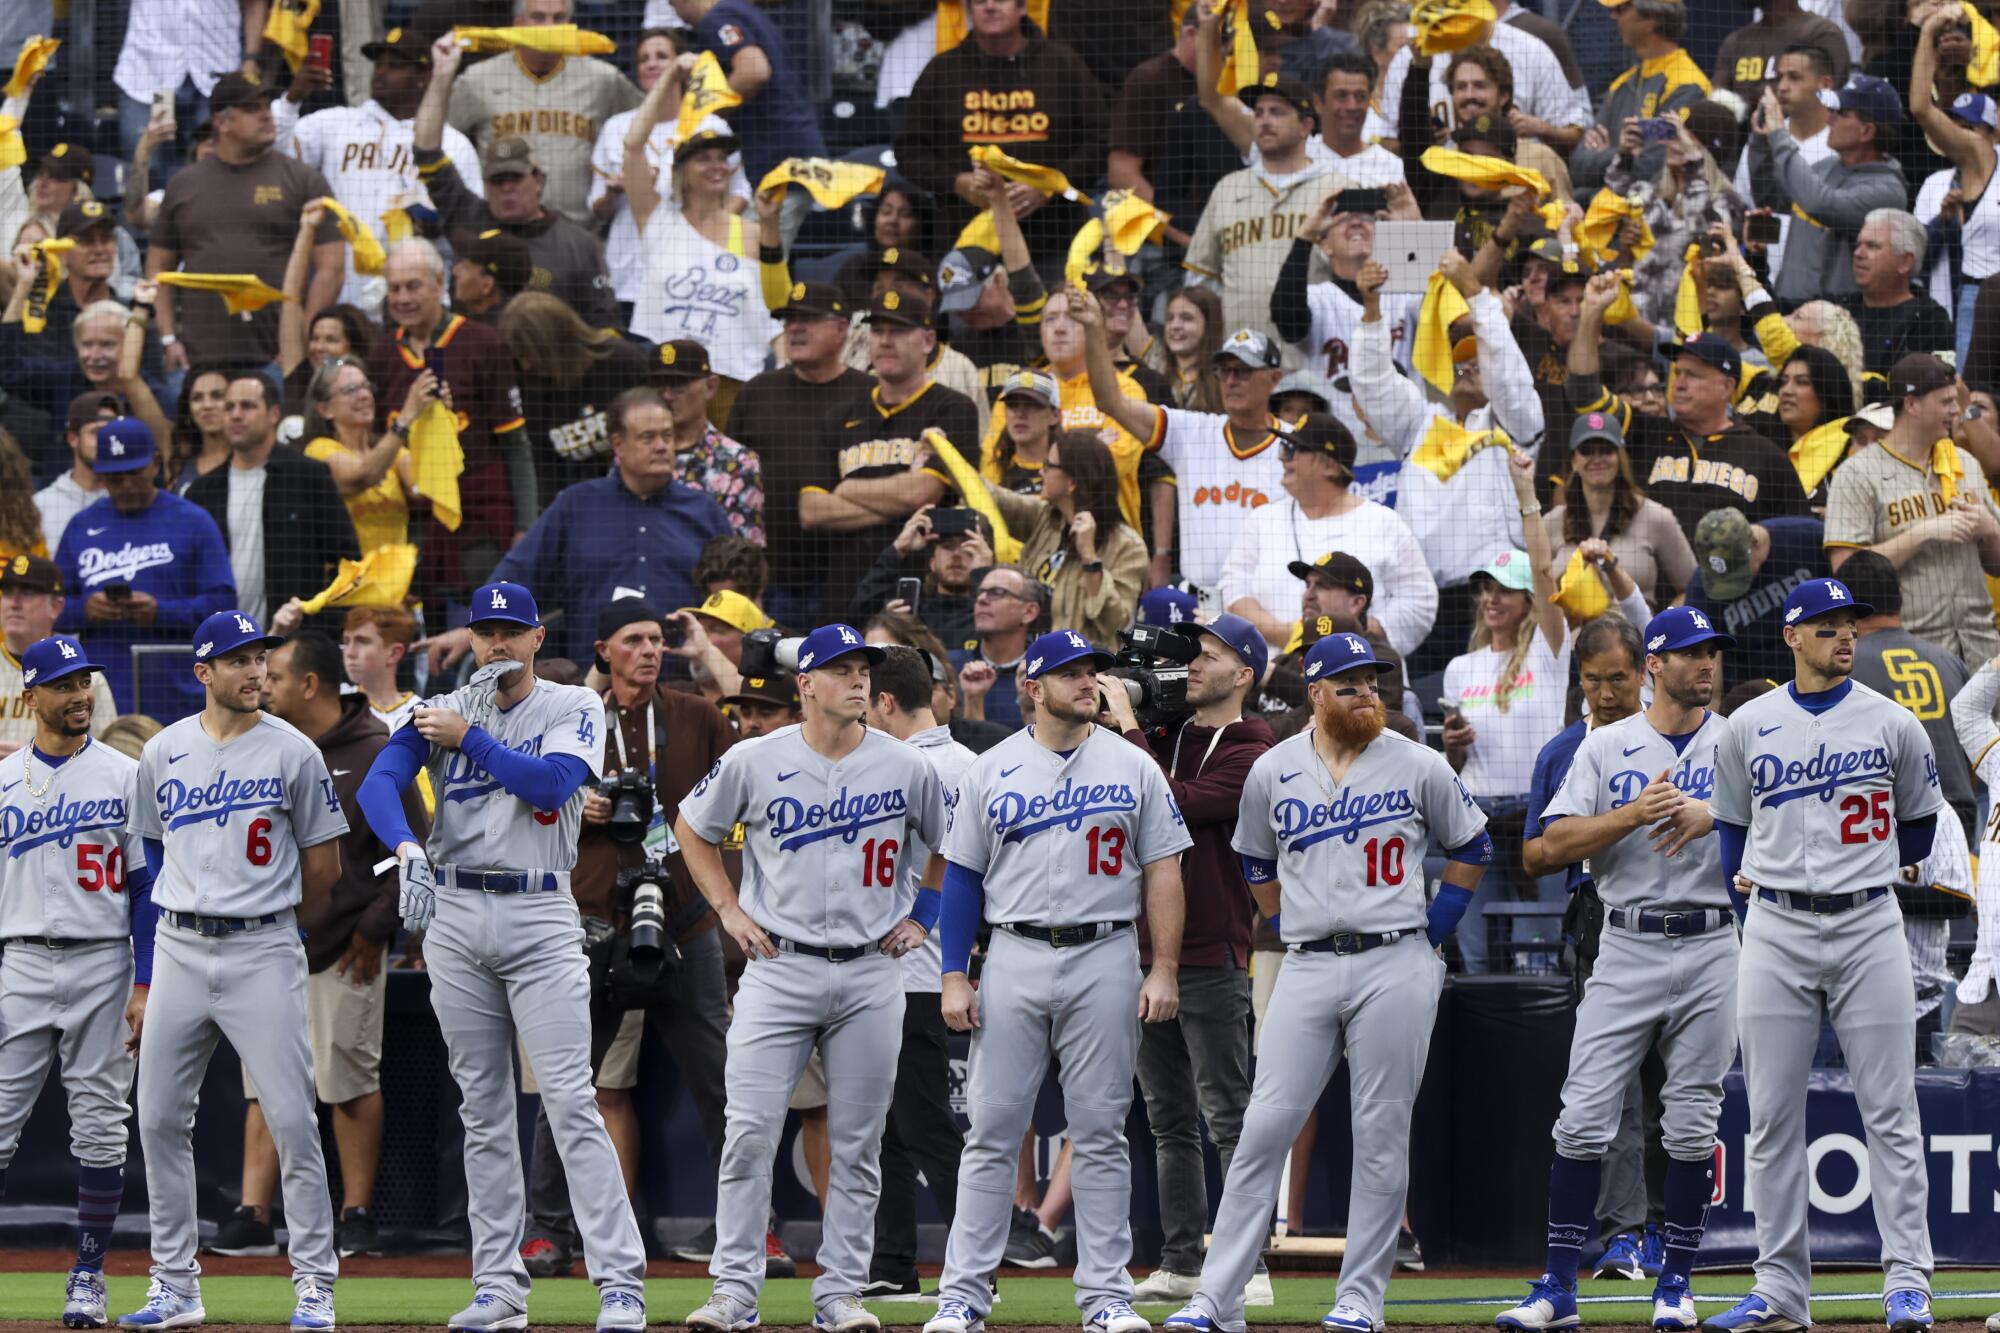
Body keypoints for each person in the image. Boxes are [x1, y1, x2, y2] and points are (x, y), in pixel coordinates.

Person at [1161, 631, 1491, 1333]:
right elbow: (1253, 860)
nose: (1366, 693)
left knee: (1379, 1132)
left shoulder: (1417, 762)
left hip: (1394, 958)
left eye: (1372, 682)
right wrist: (1284, 919)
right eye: (1349, 684)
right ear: (1315, 692)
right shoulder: (1273, 769)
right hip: (1307, 961)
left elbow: (1473, 845)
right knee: (1261, 1128)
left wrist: (1436, 930)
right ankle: (1218, 1299)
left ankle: (1359, 1298)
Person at [356, 581, 649, 1332]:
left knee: (569, 1100)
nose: (496, 645)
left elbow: (551, 782)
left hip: (539, 909)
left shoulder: (569, 706)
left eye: (510, 631)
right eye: (485, 631)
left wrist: (470, 738)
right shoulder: (446, 707)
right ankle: (497, 1285)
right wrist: (405, 847)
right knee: (482, 1109)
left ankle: (619, 1282)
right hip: (453, 910)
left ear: (536, 639)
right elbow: (379, 784)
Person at [675, 623, 947, 1333]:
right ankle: (734, 1289)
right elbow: (691, 826)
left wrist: (926, 914)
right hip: (778, 965)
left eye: (864, 668)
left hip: (870, 970)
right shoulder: (754, 758)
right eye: (840, 668)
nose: (858, 679)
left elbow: (950, 848)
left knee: (857, 1143)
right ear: (805, 683)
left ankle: (840, 1294)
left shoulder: (906, 764)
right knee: (748, 1133)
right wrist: (728, 908)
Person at [924, 628, 1191, 1333]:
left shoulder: (1133, 766)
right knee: (992, 1128)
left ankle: (1105, 1295)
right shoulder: (992, 766)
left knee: (1101, 1129)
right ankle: (964, 1295)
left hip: (1106, 948)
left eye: (1092, 670)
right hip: (1013, 949)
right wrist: (955, 972)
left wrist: (1161, 964)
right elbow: (962, 880)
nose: (1088, 681)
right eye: (1071, 672)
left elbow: (1165, 869)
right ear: (1034, 688)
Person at [1706, 577, 1943, 1333]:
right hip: (1774, 927)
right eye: (1828, 625)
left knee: (1892, 1110)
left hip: (1870, 921)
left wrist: (1857, 869)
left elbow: (1918, 831)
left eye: (1850, 623)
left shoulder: (1894, 723)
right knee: (1771, 1116)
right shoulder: (1748, 723)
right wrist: (1759, 913)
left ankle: (1908, 1281)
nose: (1845, 635)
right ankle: (1779, 1290)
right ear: (1792, 636)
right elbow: (1730, 833)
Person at [1498, 607, 1738, 1333]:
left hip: (1711, 940)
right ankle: (1558, 1286)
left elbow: (1778, 835)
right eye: (1690, 653)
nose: (1705, 664)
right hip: (1626, 937)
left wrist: (1712, 814)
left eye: (1712, 653)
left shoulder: (1739, 739)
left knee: (1693, 1126)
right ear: (1655, 667)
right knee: (1581, 1119)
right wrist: (1633, 814)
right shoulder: (1607, 746)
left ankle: (1676, 1285)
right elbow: (1549, 845)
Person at [123, 610, 345, 1330]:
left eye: (259, 658)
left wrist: (271, 921)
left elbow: (324, 868)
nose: (254, 671)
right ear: (204, 673)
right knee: (156, 1114)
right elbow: (153, 857)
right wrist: (151, 968)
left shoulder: (295, 751)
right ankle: (175, 1284)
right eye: (238, 660)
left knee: (290, 1117)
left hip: (262, 945)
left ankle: (315, 1282)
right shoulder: (162, 750)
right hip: (183, 946)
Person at [519, 599, 736, 1281]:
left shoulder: (696, 716)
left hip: (685, 921)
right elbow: (515, 806)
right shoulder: (564, 719)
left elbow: (750, 782)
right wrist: (562, 802)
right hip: (590, 922)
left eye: (657, 640)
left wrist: (708, 658)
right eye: (634, 640)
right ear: (603, 649)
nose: (649, 649)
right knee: (566, 1082)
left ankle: (748, 1227)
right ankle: (546, 1232)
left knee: (725, 1086)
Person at [226, 632, 428, 1263]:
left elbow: (414, 853)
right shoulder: (262, 746)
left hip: (344, 947)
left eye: (277, 676)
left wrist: (376, 928)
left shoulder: (376, 753)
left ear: (309, 685)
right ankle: (254, 1213)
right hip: (267, 945)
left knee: (346, 1081)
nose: (264, 684)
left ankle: (358, 1213)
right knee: (262, 1084)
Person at [1094, 615, 1275, 1307]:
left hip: (1211, 950)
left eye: (1210, 656)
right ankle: (1181, 1259)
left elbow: (1173, 802)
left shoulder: (1255, 743)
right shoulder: (1166, 732)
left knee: (1227, 1115)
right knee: (1167, 1118)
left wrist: (1129, 724)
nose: (1193, 666)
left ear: (1245, 674)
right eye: (1193, 656)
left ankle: (1249, 1265)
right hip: (1138, 949)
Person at [0, 633, 151, 1329]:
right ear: (31, 696)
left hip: (101, 961)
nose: (80, 693)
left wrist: (144, 982)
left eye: (84, 680)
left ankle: (88, 1273)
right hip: (22, 959)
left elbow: (149, 889)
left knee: (100, 1128)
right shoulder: (4, 782)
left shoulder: (124, 775)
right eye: (63, 684)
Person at [859, 645, 976, 1300]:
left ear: (884, 702)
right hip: (925, 971)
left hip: (913, 972)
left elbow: (949, 862)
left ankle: (966, 1261)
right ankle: (893, 1261)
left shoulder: (901, 766)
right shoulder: (971, 762)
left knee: (922, 1124)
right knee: (891, 1128)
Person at [1442, 453, 1571, 973]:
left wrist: (1527, 500)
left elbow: (1546, 575)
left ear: (1527, 601)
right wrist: (1451, 747)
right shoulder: (1458, 667)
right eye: (1485, 589)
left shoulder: (1549, 648)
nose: (1491, 599)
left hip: (1535, 815)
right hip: (1477, 816)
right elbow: (1452, 767)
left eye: (1504, 590)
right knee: (1473, 949)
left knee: (1535, 952)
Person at [364, 237, 535, 603]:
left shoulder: (483, 342)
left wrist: (526, 527)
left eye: (413, 286)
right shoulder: (380, 355)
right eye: (395, 289)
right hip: (413, 527)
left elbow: (515, 445)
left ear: (439, 283)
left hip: (480, 522)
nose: (403, 298)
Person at [1570, 281, 1807, 539]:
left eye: (1693, 375)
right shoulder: (1643, 432)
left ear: (1727, 386)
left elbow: (1799, 538)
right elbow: (1584, 393)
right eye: (1678, 372)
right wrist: (1590, 315)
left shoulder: (1765, 455)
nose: (1679, 383)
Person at [414, 36, 620, 330]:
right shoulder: (467, 216)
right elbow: (426, 151)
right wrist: (442, 75)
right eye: (497, 180)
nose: (506, 188)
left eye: (515, 177)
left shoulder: (579, 243)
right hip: (477, 367)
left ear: (539, 180)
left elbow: (605, 325)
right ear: (485, 184)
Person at [275, 25, 485, 310]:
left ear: (424, 77)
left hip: (417, 303)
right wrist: (292, 99)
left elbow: (473, 231)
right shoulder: (334, 123)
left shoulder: (452, 144)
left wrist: (436, 228)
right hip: (341, 299)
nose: (381, 73)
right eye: (379, 64)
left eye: (396, 66)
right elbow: (276, 158)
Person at [1081, 309, 1289, 596]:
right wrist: (1093, 329)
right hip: (1199, 603)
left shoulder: (1296, 446)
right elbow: (1110, 402)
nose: (1230, 381)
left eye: (1242, 371)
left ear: (1275, 378)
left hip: (1267, 600)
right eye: (1224, 371)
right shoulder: (1191, 431)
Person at [147, 73, 343, 374]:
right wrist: (168, 337)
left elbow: (332, 266)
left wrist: (304, 337)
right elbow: (159, 267)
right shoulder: (183, 185)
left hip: (279, 358)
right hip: (197, 361)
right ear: (222, 122)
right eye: (252, 108)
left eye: (266, 104)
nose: (267, 114)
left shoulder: (303, 180)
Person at [894, 0, 1108, 261]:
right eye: (980, 1)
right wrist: (956, 182)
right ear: (969, 10)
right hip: (965, 242)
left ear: (1022, 8)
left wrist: (1051, 184)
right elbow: (909, 151)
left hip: (1055, 239)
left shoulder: (1064, 65)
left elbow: (1100, 141)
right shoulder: (941, 72)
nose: (990, 6)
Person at [799, 292, 974, 605]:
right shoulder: (839, 416)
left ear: (928, 341)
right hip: (846, 589)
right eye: (878, 331)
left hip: (920, 590)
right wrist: (898, 506)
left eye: (899, 330)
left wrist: (847, 488)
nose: (885, 341)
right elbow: (812, 511)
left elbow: (921, 494)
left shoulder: (954, 409)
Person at [53, 418, 236, 719]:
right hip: (103, 694)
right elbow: (53, 607)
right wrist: (86, 610)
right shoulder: (81, 526)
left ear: (155, 463)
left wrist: (160, 612)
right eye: (114, 477)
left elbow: (224, 605)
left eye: (134, 473)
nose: (124, 485)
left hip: (179, 691)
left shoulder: (192, 521)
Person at [1825, 353, 2000, 665]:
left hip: (1981, 649)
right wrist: (1922, 533)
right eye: (1946, 401)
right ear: (1912, 404)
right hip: (1909, 654)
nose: (1956, 410)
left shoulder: (1966, 464)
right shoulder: (1856, 473)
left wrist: (1990, 528)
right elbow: (1846, 573)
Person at [1217, 412, 1436, 655]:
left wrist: (1348, 634)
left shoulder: (1384, 523)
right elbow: (1233, 588)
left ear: (1330, 466)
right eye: (1283, 447)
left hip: (1358, 676)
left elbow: (1420, 602)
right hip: (1272, 677)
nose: (1282, 457)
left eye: (1292, 450)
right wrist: (1288, 635)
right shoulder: (1261, 520)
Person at [623, 64, 776, 406]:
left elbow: (774, 314)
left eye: (723, 158)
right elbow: (633, 144)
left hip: (732, 385)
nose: (717, 166)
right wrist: (670, 77)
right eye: (704, 159)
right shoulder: (656, 219)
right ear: (681, 171)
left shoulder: (751, 232)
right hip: (666, 384)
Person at [724, 282, 872, 623]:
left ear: (841, 328)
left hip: (845, 576)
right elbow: (731, 482)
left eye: (809, 319)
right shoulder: (757, 391)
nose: (795, 328)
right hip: (769, 578)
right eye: (790, 320)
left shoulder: (869, 396)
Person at [1184, 70, 1345, 361]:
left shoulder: (1335, 189)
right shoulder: (1227, 189)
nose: (1265, 121)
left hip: (1312, 360)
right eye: (1258, 112)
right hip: (1240, 363)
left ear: (1306, 125)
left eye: (1277, 112)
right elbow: (1199, 282)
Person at [590, 29, 750, 317]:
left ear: (680, 67)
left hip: (695, 277)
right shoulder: (616, 127)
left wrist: (707, 235)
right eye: (643, 59)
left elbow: (740, 192)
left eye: (662, 56)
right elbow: (597, 209)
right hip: (631, 274)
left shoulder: (711, 126)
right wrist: (615, 191)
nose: (651, 64)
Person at [185, 372, 360, 633]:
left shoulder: (307, 476)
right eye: (229, 406)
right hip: (224, 644)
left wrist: (319, 622)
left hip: (294, 644)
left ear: (273, 414)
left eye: (247, 406)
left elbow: (348, 562)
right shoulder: (202, 491)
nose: (235, 415)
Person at [444, 0, 640, 225]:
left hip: (578, 233)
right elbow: (438, 139)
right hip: (500, 233)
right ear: (518, 24)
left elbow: (652, 122)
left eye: (559, 18)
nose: (550, 27)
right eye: (538, 18)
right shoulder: (478, 80)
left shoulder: (604, 80)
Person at [1835, 550, 1977, 841]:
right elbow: (1973, 755)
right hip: (1960, 821)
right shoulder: (1948, 660)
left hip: (1894, 824)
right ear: (1900, 596)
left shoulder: (1843, 669)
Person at [1750, 73, 1910, 306]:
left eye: (1841, 114)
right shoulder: (1824, 167)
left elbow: (1821, 203)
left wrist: (1779, 133)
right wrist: (1762, 140)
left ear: (1866, 131)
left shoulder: (1887, 190)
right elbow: (1771, 194)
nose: (1829, 121)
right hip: (1790, 308)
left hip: (1836, 322)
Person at [981, 432, 1149, 647]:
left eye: (1048, 466)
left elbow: (1115, 624)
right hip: (1026, 660)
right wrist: (943, 455)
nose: (1041, 471)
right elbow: (991, 496)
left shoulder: (1128, 546)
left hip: (1076, 670)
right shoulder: (1045, 518)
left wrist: (1089, 557)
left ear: (1071, 482)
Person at [496, 291, 655, 508]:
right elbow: (540, 468)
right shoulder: (528, 384)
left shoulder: (625, 362)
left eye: (530, 354)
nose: (526, 365)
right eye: (519, 356)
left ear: (555, 341)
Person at [1105, 10, 1246, 246]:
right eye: (1222, 47)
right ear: (1191, 34)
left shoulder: (1230, 83)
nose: (1227, 57)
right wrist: (1177, 233)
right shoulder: (1149, 80)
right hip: (1165, 234)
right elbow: (1121, 173)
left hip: (1228, 226)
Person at [1912, 4, 2000, 366]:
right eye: (1956, 125)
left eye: (1970, 127)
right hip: (1978, 300)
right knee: (1971, 400)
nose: (1960, 134)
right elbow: (1920, 106)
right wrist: (1928, 32)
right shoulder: (1976, 161)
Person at [1545, 412, 1695, 615]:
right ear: (1573, 460)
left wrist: (1662, 632)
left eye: (1606, 450)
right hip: (1571, 643)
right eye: (1587, 450)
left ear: (1620, 457)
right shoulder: (1552, 522)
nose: (1597, 459)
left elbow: (1693, 589)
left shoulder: (1656, 518)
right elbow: (1535, 594)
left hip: (1635, 641)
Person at [1569, 0, 1714, 189]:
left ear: (1653, 19)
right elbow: (1578, 166)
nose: (1612, 16)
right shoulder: (1621, 83)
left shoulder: (1687, 84)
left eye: (1620, 9)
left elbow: (1653, 167)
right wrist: (1622, 155)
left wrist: (1610, 155)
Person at [1682, 508, 1831, 690]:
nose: (1730, 581)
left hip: (1822, 677)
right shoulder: (1702, 585)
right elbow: (1706, 653)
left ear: (1755, 543)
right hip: (1750, 694)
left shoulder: (1808, 538)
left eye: (1737, 572)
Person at [295, 355, 423, 557]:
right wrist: (406, 417)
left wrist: (435, 413)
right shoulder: (319, 450)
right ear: (325, 409)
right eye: (351, 390)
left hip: (396, 582)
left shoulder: (393, 453)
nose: (364, 395)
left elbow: (426, 489)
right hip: (350, 581)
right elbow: (364, 475)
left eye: (366, 386)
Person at [0, 556, 116, 753]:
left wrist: (34, 762)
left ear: (55, 607)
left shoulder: (88, 680)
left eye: (27, 593)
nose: (14, 603)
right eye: (8, 593)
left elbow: (109, 755)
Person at [651, 345, 765, 543]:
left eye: (679, 384)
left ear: (710, 386)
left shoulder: (739, 463)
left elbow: (743, 557)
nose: (667, 395)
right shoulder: (633, 453)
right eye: (659, 385)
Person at [851, 506, 993, 649]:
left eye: (967, 546)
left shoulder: (995, 614)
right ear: (932, 562)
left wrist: (983, 575)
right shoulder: (910, 615)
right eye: (947, 546)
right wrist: (897, 550)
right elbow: (856, 623)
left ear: (986, 556)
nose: (956, 554)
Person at [953, 567, 1048, 730]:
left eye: (997, 592)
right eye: (980, 593)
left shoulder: (1045, 674)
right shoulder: (950, 667)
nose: (982, 599)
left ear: (1029, 612)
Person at [1712, 0, 1850, 100]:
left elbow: (1828, 98)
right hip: (1746, 137)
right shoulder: (1736, 41)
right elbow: (1718, 103)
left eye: (1793, 77)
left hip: (1803, 137)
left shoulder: (1822, 33)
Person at [34, 393, 118, 553]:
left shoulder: (132, 501)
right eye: (96, 432)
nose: (106, 440)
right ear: (73, 439)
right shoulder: (41, 507)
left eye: (112, 432)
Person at [342, 605, 423, 733]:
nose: (349, 653)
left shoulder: (420, 712)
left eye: (362, 641)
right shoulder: (337, 701)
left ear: (394, 653)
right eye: (346, 642)